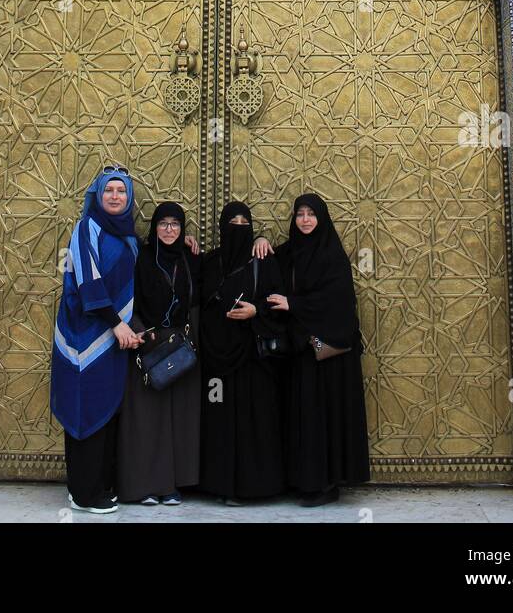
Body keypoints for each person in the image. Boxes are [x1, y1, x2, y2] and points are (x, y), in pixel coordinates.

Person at [265, 192, 371, 506]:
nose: (306, 220)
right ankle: (304, 481)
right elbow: (266, 260)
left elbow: (337, 302)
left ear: (321, 218)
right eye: (300, 214)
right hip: (302, 351)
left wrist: (293, 303)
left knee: (323, 418)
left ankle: (325, 484)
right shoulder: (290, 253)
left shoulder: (331, 256)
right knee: (304, 418)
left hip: (327, 354)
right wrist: (258, 238)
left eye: (312, 214)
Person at [50, 164, 141, 515]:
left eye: (121, 191)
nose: (115, 197)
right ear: (98, 196)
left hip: (115, 337)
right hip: (83, 335)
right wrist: (116, 323)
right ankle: (83, 493)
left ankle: (101, 484)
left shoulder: (129, 236)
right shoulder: (87, 227)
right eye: (109, 191)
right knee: (84, 405)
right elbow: (88, 280)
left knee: (107, 407)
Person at [198, 200, 287, 503]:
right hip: (216, 359)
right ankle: (221, 485)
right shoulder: (211, 262)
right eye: (232, 223)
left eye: (243, 223)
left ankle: (255, 487)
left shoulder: (263, 260)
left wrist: (255, 312)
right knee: (220, 420)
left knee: (255, 420)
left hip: (253, 359)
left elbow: (278, 304)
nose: (238, 228)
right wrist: (185, 239)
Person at [117, 201, 201, 506]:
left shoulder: (188, 260)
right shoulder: (140, 257)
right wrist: (139, 330)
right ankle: (144, 486)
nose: (169, 230)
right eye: (163, 224)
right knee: (147, 420)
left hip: (178, 348)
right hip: (148, 345)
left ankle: (172, 486)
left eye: (175, 225)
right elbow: (128, 297)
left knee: (178, 421)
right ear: (154, 227)